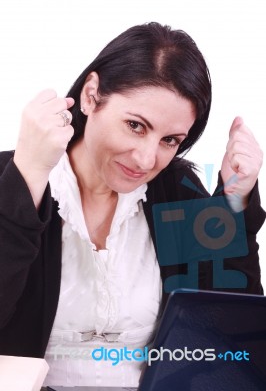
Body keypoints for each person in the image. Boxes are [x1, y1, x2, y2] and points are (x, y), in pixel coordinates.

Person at [0, 22, 265, 388]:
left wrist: (234, 204)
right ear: (91, 95)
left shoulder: (176, 193)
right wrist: (25, 178)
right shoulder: (15, 180)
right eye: (136, 126)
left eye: (170, 140)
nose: (146, 160)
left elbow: (231, 339)